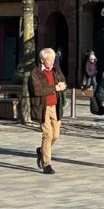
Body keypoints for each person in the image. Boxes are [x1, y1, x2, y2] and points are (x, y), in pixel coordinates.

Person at [27, 46, 67, 174]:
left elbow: (63, 82)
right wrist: (55, 87)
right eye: (49, 60)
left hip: (55, 106)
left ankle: (41, 150)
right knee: (48, 134)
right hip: (42, 107)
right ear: (42, 60)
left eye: (53, 59)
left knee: (56, 135)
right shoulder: (35, 73)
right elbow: (37, 91)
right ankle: (47, 163)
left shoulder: (56, 69)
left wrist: (63, 85)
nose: (52, 62)